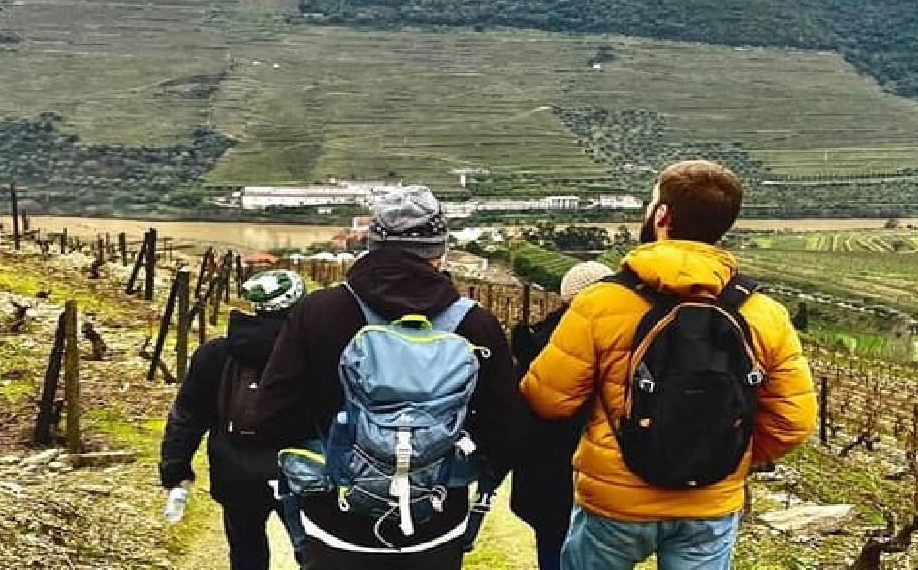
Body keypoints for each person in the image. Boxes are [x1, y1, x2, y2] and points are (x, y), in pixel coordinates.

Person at [520, 160, 817, 570]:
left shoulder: (601, 303)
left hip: (615, 501)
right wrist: (725, 454)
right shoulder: (764, 313)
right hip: (710, 503)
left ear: (661, 215)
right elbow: (793, 421)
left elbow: (548, 400)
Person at [255, 185, 525, 570]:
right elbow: (507, 430)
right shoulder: (474, 323)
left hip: (336, 521)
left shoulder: (318, 312)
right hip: (436, 521)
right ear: (439, 250)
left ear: (371, 243)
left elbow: (272, 416)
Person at [158, 269, 311, 570]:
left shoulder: (215, 354)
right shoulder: (312, 351)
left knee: (245, 551)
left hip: (236, 472)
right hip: (300, 471)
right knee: (311, 551)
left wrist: (174, 469)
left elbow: (187, 416)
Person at [511, 261, 613, 570]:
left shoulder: (536, 340)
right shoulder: (625, 342)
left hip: (545, 472)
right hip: (604, 473)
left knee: (552, 547)